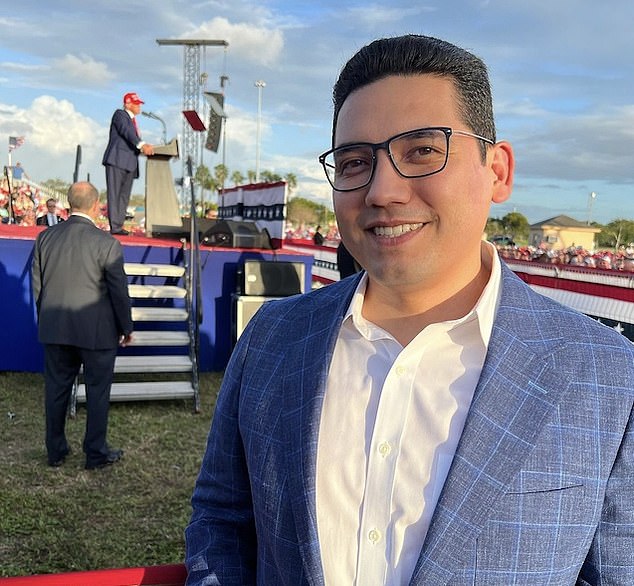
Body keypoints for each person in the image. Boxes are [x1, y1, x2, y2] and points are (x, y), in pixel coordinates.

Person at [185, 35, 634, 585]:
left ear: (497, 170)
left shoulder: (608, 375)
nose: (383, 191)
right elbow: (223, 521)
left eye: (422, 150)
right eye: (355, 162)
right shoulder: (273, 339)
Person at [32, 181, 133, 470]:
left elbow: (38, 286)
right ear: (96, 206)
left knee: (56, 390)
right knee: (98, 392)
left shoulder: (45, 238)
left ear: (69, 204)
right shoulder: (107, 243)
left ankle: (55, 451)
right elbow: (118, 291)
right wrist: (126, 327)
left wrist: (47, 319)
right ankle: (95, 452)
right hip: (97, 333)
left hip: (55, 328)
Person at [102, 92, 154, 235]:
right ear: (127, 104)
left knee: (124, 196)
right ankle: (115, 227)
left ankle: (119, 224)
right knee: (115, 194)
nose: (139, 107)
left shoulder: (133, 122)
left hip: (130, 163)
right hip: (117, 160)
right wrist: (142, 145)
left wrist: (145, 149)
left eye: (139, 104)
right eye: (136, 104)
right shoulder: (120, 115)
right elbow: (127, 133)